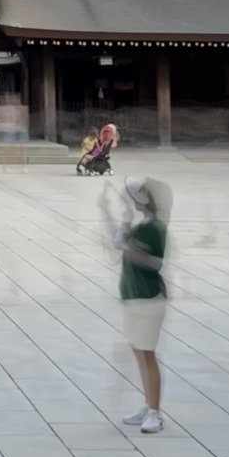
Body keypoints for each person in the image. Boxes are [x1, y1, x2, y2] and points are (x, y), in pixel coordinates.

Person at [100, 177, 172, 434]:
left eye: (130, 199)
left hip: (149, 299)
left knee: (148, 354)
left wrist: (132, 249)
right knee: (139, 352)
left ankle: (156, 412)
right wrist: (108, 212)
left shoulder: (154, 229)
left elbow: (155, 263)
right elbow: (118, 242)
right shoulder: (140, 227)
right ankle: (147, 404)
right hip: (133, 296)